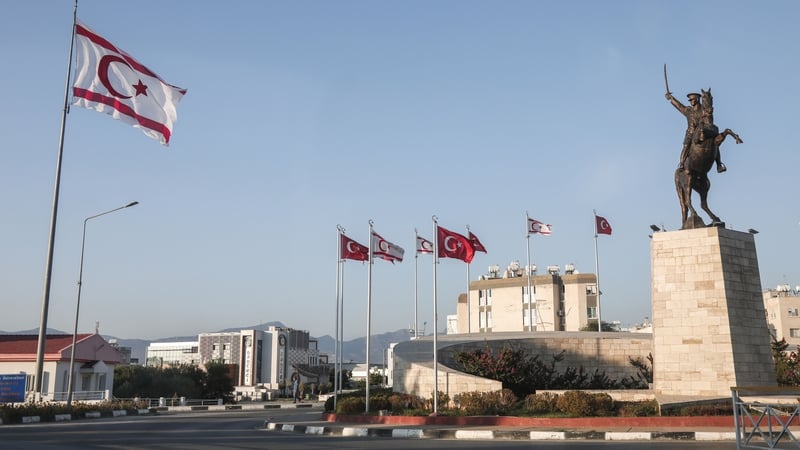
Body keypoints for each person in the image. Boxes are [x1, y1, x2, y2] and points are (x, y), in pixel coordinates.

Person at [666, 91, 726, 173]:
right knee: (686, 146)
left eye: (692, 100)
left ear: (697, 99)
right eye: (690, 100)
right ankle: (682, 163)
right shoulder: (688, 110)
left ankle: (719, 164)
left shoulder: (704, 110)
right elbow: (679, 106)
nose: (691, 102)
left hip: (703, 132)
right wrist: (671, 99)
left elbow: (709, 119)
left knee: (714, 144)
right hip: (691, 133)